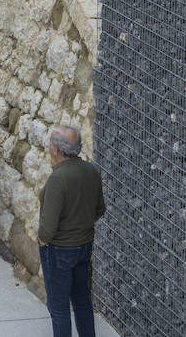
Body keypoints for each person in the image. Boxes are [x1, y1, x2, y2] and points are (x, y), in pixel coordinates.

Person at [38, 124, 105, 337]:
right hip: (84, 246)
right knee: (82, 301)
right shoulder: (91, 170)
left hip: (59, 250)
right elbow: (99, 209)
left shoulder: (58, 179)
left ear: (56, 150)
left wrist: (41, 240)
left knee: (59, 308)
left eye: (50, 142)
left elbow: (48, 229)